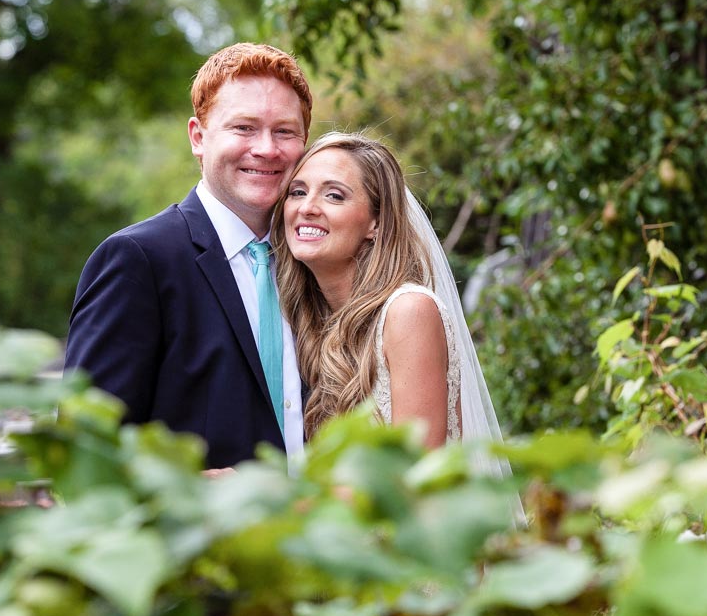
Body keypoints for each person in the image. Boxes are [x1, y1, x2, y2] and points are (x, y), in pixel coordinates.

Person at [65, 42, 312, 469]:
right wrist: (191, 492)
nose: (267, 149)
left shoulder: (315, 259)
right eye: (244, 128)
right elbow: (84, 451)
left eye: (285, 131)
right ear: (199, 138)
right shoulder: (137, 261)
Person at [271, 132, 507, 460]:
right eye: (298, 192)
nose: (307, 207)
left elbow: (412, 475)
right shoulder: (312, 325)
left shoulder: (409, 311)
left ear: (376, 223)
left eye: (334, 196)